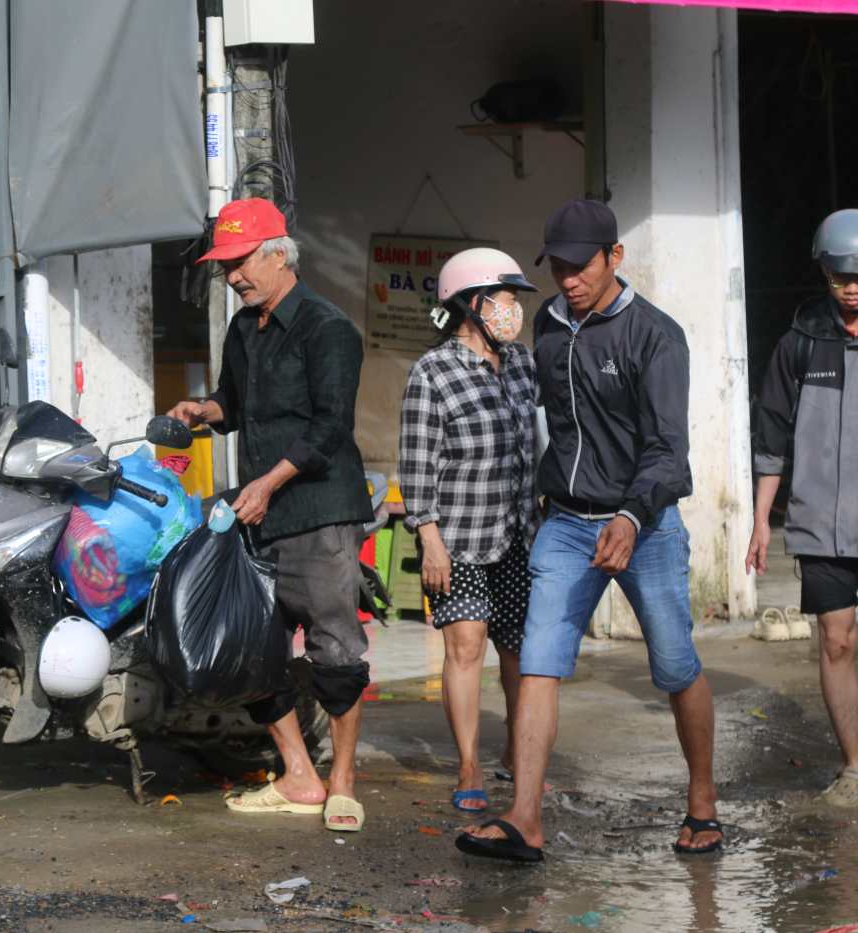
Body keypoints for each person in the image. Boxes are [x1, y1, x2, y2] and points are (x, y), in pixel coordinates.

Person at [457, 199, 721, 862]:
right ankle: (525, 816)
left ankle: (702, 804)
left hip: (647, 525)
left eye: (582, 265)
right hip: (566, 524)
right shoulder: (545, 324)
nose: (569, 278)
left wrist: (632, 515)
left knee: (674, 663)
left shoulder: (654, 336)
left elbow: (668, 450)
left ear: (615, 258)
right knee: (539, 662)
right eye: (560, 266)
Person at [167, 197, 373, 832]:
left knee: (335, 646)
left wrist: (268, 481)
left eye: (239, 264)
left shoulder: (327, 328)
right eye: (224, 268)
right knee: (255, 646)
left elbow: (328, 428)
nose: (232, 279)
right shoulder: (241, 329)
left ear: (278, 255)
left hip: (317, 509)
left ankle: (342, 780)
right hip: (258, 511)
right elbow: (236, 402)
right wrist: (204, 411)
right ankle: (299, 775)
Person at [398, 248, 539, 814]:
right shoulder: (432, 372)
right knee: (465, 646)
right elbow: (416, 462)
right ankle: (468, 765)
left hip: (518, 532)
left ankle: (515, 752)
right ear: (472, 304)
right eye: (505, 299)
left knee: (517, 651)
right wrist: (428, 536)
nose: (513, 311)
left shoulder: (523, 364)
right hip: (456, 538)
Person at [748, 209, 858, 805]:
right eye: (841, 276)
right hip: (820, 526)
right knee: (836, 642)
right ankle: (855, 766)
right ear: (824, 273)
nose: (853, 286)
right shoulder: (801, 342)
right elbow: (772, 434)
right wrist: (762, 520)